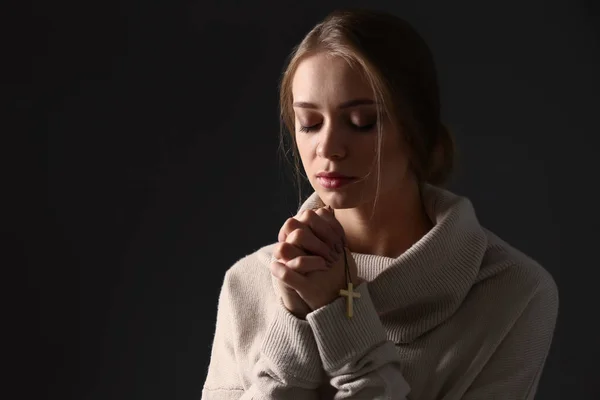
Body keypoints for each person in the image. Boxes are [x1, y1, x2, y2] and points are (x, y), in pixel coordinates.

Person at [201, 8, 558, 400]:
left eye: (361, 122)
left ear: (416, 130)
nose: (328, 148)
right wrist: (294, 321)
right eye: (310, 123)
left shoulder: (513, 292)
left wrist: (341, 314)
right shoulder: (248, 284)